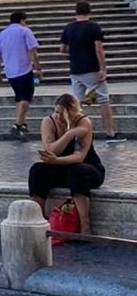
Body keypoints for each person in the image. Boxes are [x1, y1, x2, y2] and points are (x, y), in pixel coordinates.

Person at [28, 93, 105, 235]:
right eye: (55, 111)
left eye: (60, 113)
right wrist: (68, 135)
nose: (56, 116)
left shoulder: (84, 122)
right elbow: (51, 150)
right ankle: (37, 218)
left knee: (76, 170)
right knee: (37, 170)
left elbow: (79, 157)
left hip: (89, 169)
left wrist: (56, 160)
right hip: (62, 168)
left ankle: (85, 225)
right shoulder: (48, 122)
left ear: (70, 113)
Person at [60, 0, 122, 142]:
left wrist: (75, 50)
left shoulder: (68, 28)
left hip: (75, 70)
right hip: (92, 69)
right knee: (103, 100)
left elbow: (62, 49)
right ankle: (110, 133)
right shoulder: (93, 27)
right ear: (89, 11)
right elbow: (98, 49)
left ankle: (74, 134)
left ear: (75, 12)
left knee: (77, 103)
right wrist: (103, 68)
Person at [0, 11, 43, 140]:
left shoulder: (1, 35)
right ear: (22, 20)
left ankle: (22, 123)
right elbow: (32, 50)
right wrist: (37, 67)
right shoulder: (25, 31)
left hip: (10, 71)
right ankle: (17, 124)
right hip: (24, 69)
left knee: (19, 97)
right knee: (26, 97)